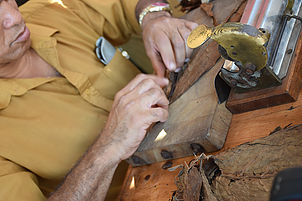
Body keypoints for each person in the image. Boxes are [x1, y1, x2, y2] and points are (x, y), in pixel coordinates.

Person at [0, 0, 198, 200]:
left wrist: (154, 17)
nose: (14, 18)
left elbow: (126, 4)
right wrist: (110, 146)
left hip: (194, 130)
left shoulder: (49, 11)